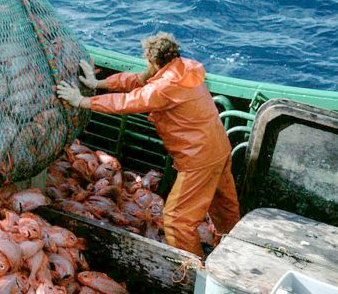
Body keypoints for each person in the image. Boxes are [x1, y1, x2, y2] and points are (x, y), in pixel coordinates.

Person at [56, 32, 240, 257]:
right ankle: (233, 251)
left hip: (198, 159)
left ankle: (194, 274)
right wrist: (98, 83)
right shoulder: (185, 68)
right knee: (224, 207)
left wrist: (82, 101)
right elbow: (139, 79)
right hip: (220, 148)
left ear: (153, 61)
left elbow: (127, 101)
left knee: (175, 220)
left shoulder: (163, 87)